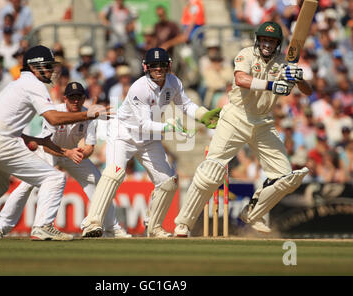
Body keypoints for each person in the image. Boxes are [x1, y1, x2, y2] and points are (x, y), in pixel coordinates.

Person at [0, 45, 110, 240]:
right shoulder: (33, 85)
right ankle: (43, 226)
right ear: (34, 67)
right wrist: (89, 113)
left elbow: (11, 128)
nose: (52, 71)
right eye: (47, 66)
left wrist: (38, 140)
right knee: (54, 178)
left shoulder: (16, 84)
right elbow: (53, 118)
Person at [173, 21, 313, 237]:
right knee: (211, 172)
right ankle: (183, 223)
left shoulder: (282, 63)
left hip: (263, 121)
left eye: (272, 41)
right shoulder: (246, 54)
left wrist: (299, 77)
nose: (267, 44)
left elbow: (308, 91)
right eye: (264, 39)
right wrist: (271, 85)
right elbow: (241, 79)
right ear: (259, 40)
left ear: (277, 43)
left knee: (286, 177)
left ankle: (253, 214)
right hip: (236, 117)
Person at [81, 47, 221, 238]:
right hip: (124, 134)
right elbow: (142, 123)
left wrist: (202, 115)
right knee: (114, 173)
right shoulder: (139, 88)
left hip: (148, 139)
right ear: (146, 67)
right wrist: (167, 126)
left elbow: (186, 104)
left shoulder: (173, 82)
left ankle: (154, 227)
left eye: (162, 65)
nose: (158, 69)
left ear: (168, 65)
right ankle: (92, 223)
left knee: (168, 182)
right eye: (154, 65)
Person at [0, 82, 131, 239]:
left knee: (98, 182)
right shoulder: (55, 112)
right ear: (65, 99)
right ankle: (0, 227)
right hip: (50, 152)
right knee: (26, 186)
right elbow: (46, 145)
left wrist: (82, 154)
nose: (75, 101)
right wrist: (68, 153)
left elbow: (90, 146)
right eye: (71, 98)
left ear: (84, 98)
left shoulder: (89, 115)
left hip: (71, 152)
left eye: (78, 97)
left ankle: (112, 228)